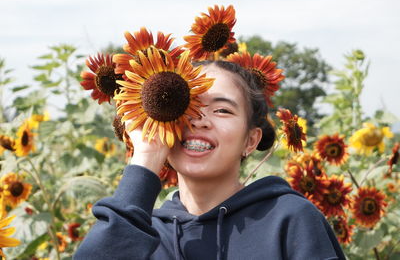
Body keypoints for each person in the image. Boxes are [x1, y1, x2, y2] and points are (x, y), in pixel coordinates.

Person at [74, 61, 346, 260]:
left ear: (250, 141)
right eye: (188, 105)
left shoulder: (288, 220)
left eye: (222, 109)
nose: (199, 120)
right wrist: (145, 158)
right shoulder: (142, 233)